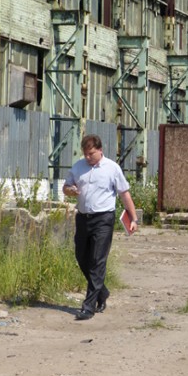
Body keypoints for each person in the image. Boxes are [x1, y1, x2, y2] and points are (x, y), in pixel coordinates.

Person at [63, 134, 138, 321]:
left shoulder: (112, 168)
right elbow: (66, 186)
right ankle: (101, 292)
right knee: (82, 257)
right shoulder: (78, 167)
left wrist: (134, 218)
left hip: (103, 218)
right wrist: (69, 190)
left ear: (100, 150)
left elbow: (124, 194)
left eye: (91, 153)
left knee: (98, 260)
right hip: (83, 218)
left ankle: (88, 307)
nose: (88, 157)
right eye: (85, 154)